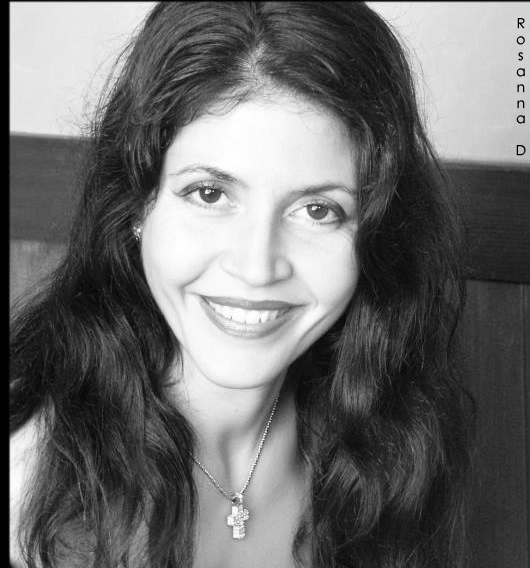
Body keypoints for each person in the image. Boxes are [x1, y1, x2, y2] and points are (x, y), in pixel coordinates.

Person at [10, 2, 475, 567]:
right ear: (136, 205)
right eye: (210, 194)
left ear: (376, 235)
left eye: (318, 210)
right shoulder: (25, 473)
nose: (257, 268)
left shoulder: (385, 442)